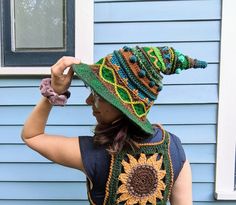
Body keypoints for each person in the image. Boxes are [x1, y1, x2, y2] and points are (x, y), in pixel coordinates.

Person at [21, 45, 207, 205]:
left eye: (98, 96)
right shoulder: (172, 147)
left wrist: (54, 92)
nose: (88, 101)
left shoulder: (95, 152)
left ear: (121, 105)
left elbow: (31, 135)